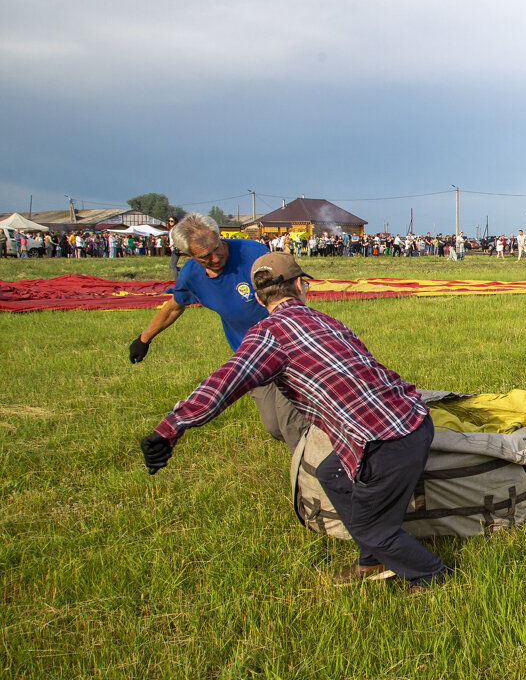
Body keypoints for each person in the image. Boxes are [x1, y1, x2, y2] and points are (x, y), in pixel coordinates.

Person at [140, 253, 449, 591]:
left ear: (258, 298)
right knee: (332, 473)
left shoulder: (267, 336)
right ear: (301, 286)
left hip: (383, 442)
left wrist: (169, 428)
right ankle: (372, 557)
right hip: (411, 420)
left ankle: (429, 574)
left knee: (374, 528)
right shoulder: (328, 321)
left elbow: (223, 385)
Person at [129, 213, 307, 451]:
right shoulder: (191, 275)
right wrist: (144, 339)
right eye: (205, 256)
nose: (216, 257)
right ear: (189, 256)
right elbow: (174, 306)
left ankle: (321, 476)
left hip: (287, 350)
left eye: (218, 247)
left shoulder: (253, 254)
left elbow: (292, 293)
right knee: (274, 426)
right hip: (250, 358)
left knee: (293, 425)